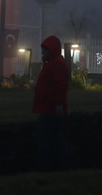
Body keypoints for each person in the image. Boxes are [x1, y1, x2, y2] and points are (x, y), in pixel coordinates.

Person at [33, 35, 72, 171]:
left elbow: (60, 85)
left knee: (42, 136)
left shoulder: (55, 64)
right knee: (57, 138)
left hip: (50, 106)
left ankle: (43, 167)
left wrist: (58, 104)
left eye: (45, 50)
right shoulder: (54, 63)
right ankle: (64, 166)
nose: (43, 52)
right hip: (51, 105)